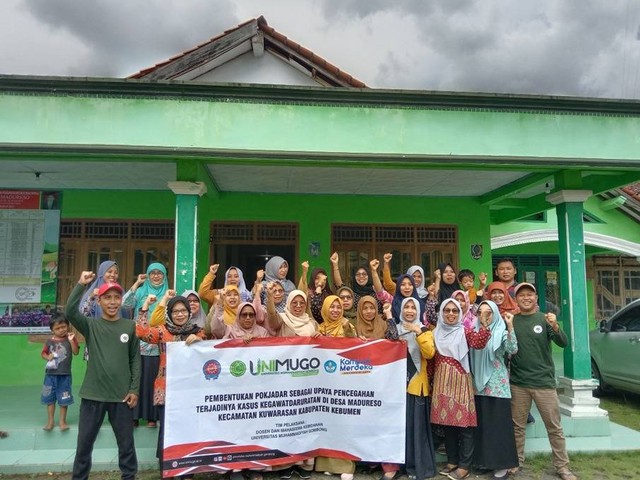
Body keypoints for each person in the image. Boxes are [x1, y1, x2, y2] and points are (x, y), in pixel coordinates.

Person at [65, 273, 140, 480]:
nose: (113, 302)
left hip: (121, 397)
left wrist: (134, 389)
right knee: (84, 446)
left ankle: (129, 477)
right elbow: (70, 311)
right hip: (92, 397)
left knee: (126, 445)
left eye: (117, 297)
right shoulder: (91, 326)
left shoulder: (130, 327)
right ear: (100, 300)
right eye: (108, 297)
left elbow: (135, 359)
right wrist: (81, 284)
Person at [508, 283, 577, 480]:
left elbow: (563, 342)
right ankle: (517, 461)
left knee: (554, 427)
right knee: (517, 427)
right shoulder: (512, 321)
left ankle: (562, 466)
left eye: (530, 295)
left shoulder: (545, 319)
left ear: (536, 298)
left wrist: (555, 325)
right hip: (518, 383)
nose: (526, 298)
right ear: (516, 299)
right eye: (521, 295)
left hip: (544, 383)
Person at [136, 292, 205, 479]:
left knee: (188, 431)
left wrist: (199, 341)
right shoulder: (162, 331)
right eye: (175, 311)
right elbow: (141, 333)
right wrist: (144, 307)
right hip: (166, 390)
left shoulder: (198, 332)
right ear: (170, 313)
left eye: (183, 310)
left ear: (189, 313)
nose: (180, 314)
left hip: (190, 391)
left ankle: (186, 472)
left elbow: (208, 353)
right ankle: (166, 470)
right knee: (166, 432)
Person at [431, 298, 490, 480]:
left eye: (454, 311)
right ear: (441, 313)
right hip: (441, 381)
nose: (450, 314)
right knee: (447, 424)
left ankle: (464, 465)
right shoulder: (435, 332)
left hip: (460, 381)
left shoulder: (464, 332)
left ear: (459, 313)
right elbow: (432, 358)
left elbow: (479, 343)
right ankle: (452, 461)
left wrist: (484, 326)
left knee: (464, 425)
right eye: (447, 310)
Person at [385, 297, 437, 480]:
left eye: (413, 308)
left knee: (416, 429)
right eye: (406, 307)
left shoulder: (424, 330)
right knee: (399, 428)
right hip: (395, 387)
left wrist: (419, 331)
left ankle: (417, 467)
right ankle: (398, 466)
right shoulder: (394, 329)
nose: (409, 311)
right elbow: (388, 344)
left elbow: (429, 353)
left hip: (415, 386)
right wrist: (389, 316)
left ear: (418, 310)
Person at [470, 301, 519, 479]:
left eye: (489, 313)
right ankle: (485, 462)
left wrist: (510, 325)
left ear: (495, 314)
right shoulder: (474, 332)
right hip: (478, 386)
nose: (484, 316)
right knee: (483, 427)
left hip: (497, 386)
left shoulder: (501, 331)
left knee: (498, 427)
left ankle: (502, 465)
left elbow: (513, 350)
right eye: (481, 312)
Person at [123, 263, 167, 428]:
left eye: (159, 273)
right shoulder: (141, 291)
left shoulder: (167, 295)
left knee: (152, 381)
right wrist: (136, 284)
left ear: (164, 276)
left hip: (157, 346)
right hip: (139, 345)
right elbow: (125, 304)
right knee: (137, 379)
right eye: (153, 273)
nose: (156, 276)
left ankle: (151, 416)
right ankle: (134, 415)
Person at [41, 315, 79, 431]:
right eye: (58, 328)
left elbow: (76, 352)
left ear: (68, 326)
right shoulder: (49, 341)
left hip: (65, 375)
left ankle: (62, 422)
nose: (62, 330)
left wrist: (72, 340)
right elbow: (43, 354)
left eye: (64, 327)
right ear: (52, 330)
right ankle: (50, 421)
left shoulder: (70, 339)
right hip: (50, 376)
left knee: (64, 400)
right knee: (49, 399)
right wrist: (48, 357)